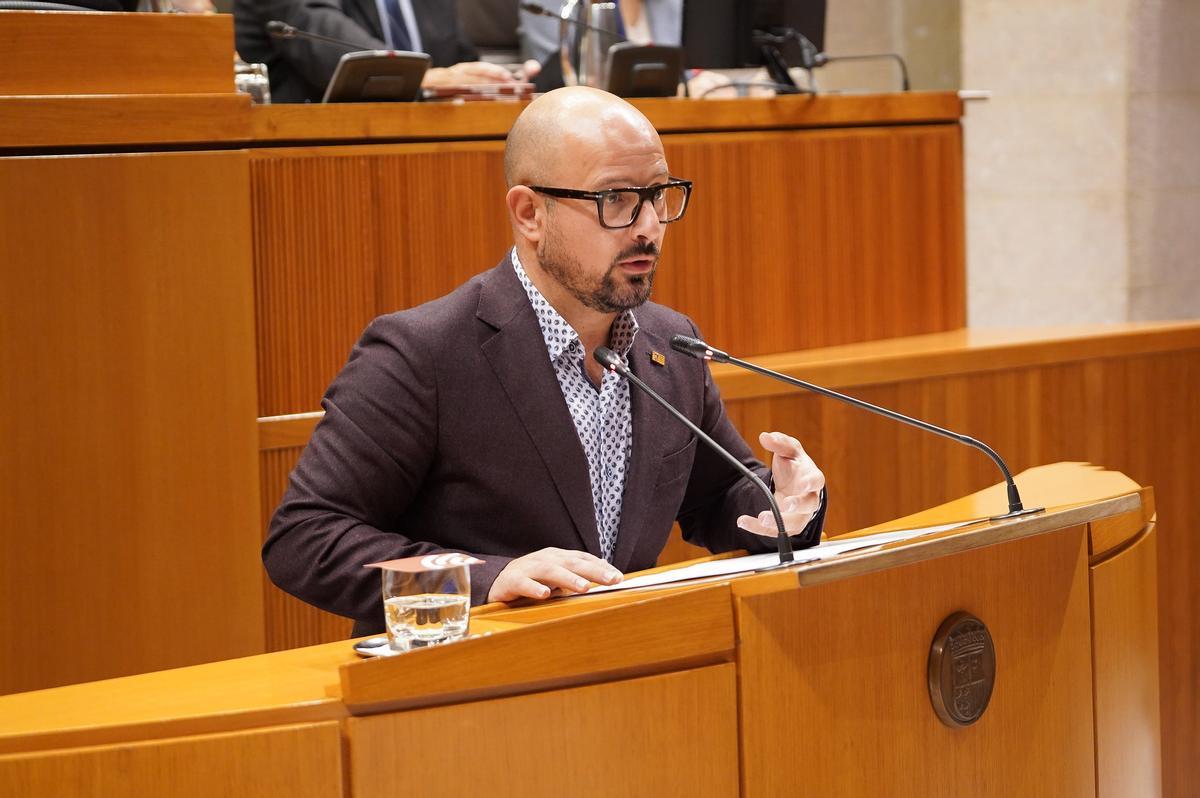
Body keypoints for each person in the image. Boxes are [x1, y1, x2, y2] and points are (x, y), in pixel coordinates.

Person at [265, 86, 826, 635]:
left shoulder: (670, 343)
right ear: (530, 213)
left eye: (658, 195)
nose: (648, 226)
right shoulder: (423, 352)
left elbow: (719, 498)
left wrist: (783, 506)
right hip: (469, 677)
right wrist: (487, 578)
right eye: (615, 199)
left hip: (631, 668)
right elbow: (306, 537)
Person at [234, 0, 518, 103]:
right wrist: (422, 78)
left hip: (434, 142)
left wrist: (498, 81)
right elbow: (319, 34)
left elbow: (459, 65)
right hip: (317, 149)